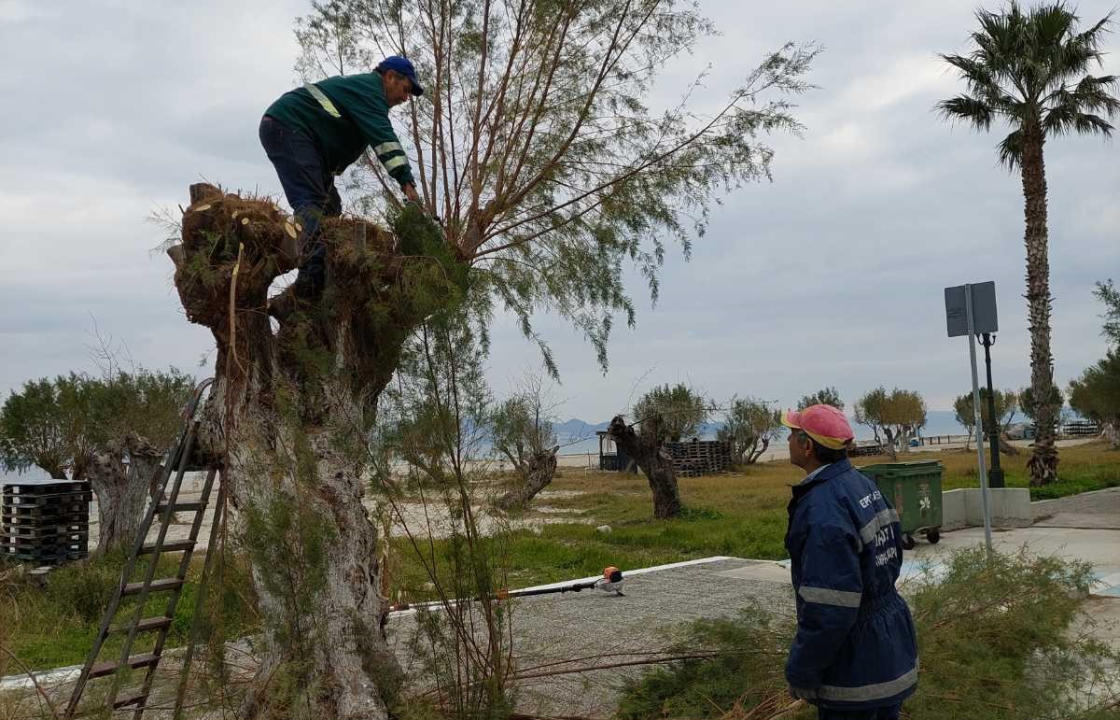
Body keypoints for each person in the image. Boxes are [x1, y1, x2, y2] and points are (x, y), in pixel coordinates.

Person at [781, 404, 918, 720]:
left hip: (855, 666)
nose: (787, 441)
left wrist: (802, 670)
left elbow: (830, 607)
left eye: (791, 434)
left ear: (807, 446)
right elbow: (892, 553)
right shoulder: (862, 484)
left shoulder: (823, 509)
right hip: (886, 649)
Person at [259, 55, 424, 304]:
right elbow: (385, 140)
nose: (405, 98)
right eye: (405, 89)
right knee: (313, 202)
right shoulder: (370, 91)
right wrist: (407, 184)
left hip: (305, 138)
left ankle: (325, 270)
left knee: (330, 207)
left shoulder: (366, 95)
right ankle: (311, 282)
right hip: (290, 126)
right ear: (390, 77)